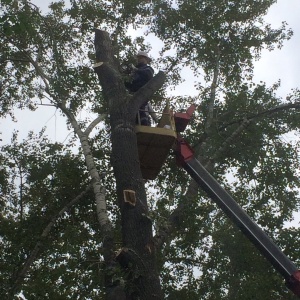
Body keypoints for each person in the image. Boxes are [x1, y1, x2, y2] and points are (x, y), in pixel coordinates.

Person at [124, 51, 158, 126]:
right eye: (138, 58)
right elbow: (131, 85)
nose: (138, 60)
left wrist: (136, 70)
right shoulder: (135, 73)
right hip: (133, 95)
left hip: (142, 95)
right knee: (134, 113)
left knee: (142, 111)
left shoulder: (148, 69)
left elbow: (148, 75)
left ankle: (144, 124)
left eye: (140, 58)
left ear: (146, 59)